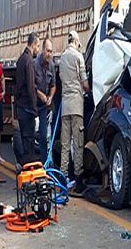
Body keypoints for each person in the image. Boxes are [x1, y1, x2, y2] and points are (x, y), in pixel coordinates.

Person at [58, 31, 90, 195]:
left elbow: (61, 78)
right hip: (77, 107)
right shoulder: (78, 57)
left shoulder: (62, 58)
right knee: (77, 144)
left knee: (65, 145)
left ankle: (62, 178)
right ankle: (78, 180)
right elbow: (84, 83)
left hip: (65, 108)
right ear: (76, 41)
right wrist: (90, 90)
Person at [14, 32, 40, 165]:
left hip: (20, 107)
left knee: (24, 140)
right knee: (29, 142)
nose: (38, 49)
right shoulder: (29, 61)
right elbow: (31, 86)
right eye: (38, 46)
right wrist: (35, 109)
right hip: (27, 108)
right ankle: (29, 174)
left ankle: (23, 170)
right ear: (33, 44)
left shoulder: (20, 60)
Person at [34, 38, 56, 160]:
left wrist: (50, 97)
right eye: (47, 51)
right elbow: (31, 85)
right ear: (42, 50)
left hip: (43, 107)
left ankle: (44, 162)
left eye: (51, 51)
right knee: (29, 135)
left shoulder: (52, 65)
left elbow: (53, 85)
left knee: (43, 135)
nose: (49, 54)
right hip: (33, 105)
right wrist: (40, 94)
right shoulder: (34, 64)